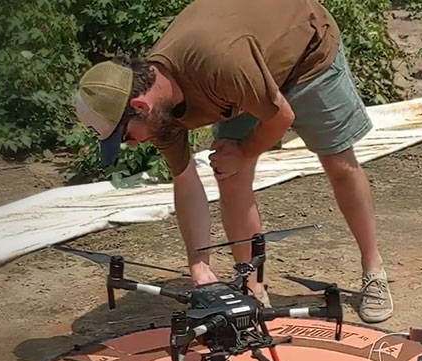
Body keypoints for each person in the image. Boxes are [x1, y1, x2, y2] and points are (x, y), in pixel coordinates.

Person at [73, 0, 393, 322]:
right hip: (247, 76)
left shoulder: (218, 65)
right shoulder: (158, 114)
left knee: (338, 164)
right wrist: (199, 266)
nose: (131, 144)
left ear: (140, 107)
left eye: (126, 136)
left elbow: (281, 115)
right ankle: (252, 285)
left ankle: (373, 269)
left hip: (305, 55)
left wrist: (246, 152)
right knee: (229, 175)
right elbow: (186, 181)